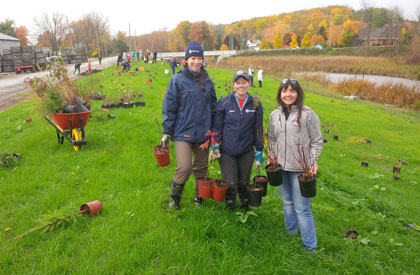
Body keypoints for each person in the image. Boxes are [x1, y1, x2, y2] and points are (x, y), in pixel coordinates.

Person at [268, 78, 323, 253]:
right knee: (287, 204)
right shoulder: (274, 115)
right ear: (280, 94)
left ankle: (310, 247)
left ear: (298, 94)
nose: (288, 94)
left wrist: (312, 162)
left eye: (292, 91)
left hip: (300, 171)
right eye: (285, 91)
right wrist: (272, 156)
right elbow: (272, 138)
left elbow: (317, 141)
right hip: (281, 169)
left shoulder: (308, 114)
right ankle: (290, 236)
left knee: (302, 209)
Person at [161, 41, 217, 210]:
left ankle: (198, 198)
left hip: (203, 133)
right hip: (182, 132)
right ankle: (174, 199)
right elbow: (169, 107)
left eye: (199, 58)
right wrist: (166, 131)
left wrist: (214, 133)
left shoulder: (207, 81)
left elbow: (213, 108)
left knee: (201, 168)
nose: (196, 61)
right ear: (186, 60)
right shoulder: (177, 80)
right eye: (192, 58)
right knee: (185, 167)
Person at [212, 71, 264, 210]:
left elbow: (258, 128)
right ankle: (230, 206)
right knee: (231, 182)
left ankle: (244, 205)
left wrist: (259, 150)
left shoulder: (255, 104)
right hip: (227, 151)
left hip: (246, 151)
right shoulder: (224, 102)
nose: (241, 86)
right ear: (233, 85)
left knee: (243, 182)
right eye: (238, 83)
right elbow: (218, 125)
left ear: (249, 83)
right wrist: (215, 144)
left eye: (244, 82)